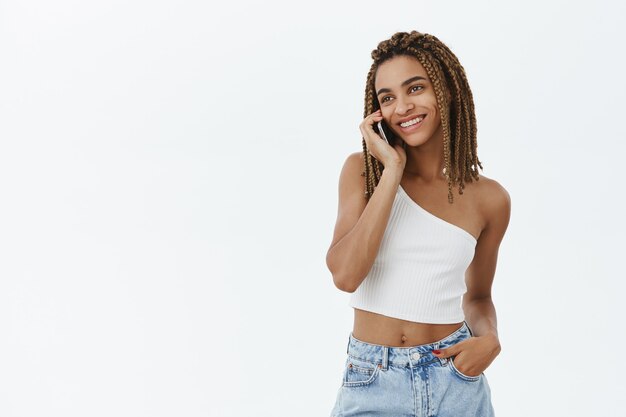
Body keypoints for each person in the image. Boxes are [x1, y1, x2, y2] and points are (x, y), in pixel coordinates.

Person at [326, 31, 511, 417]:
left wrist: (490, 338)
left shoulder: (490, 199)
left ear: (446, 90)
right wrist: (392, 170)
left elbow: (477, 297)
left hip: (455, 379)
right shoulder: (364, 173)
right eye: (387, 97)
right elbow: (345, 275)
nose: (403, 106)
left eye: (415, 88)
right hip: (372, 379)